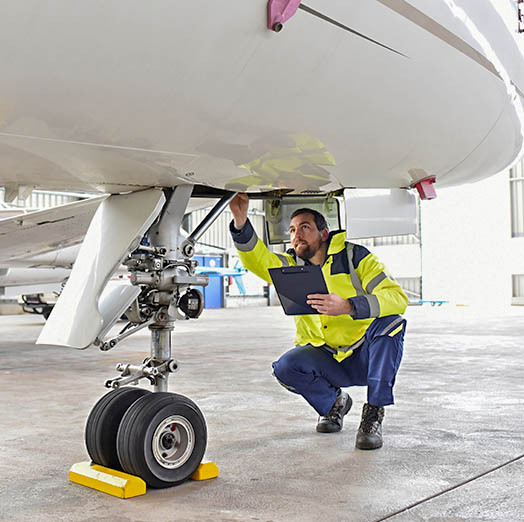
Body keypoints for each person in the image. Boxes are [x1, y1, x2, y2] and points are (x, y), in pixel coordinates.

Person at [229, 193, 408, 450]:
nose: (296, 235)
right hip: (324, 357)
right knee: (286, 367)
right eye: (292, 230)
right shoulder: (290, 265)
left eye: (305, 227)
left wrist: (349, 306)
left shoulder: (355, 257)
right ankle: (334, 404)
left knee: (391, 323)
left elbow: (397, 298)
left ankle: (373, 413)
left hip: (364, 355)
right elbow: (257, 260)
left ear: (324, 233)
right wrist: (240, 221)